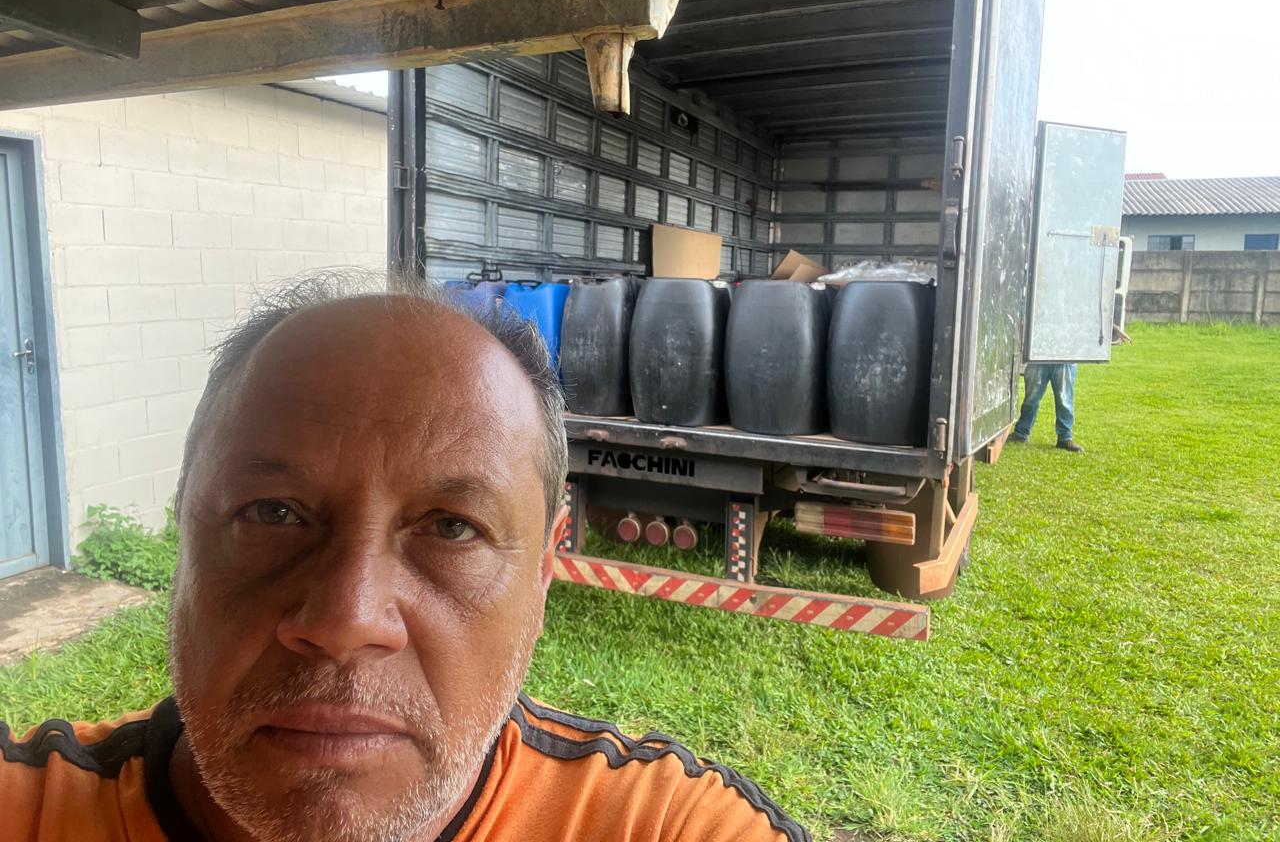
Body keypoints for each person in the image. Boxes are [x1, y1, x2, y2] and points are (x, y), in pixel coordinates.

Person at [1, 272, 807, 842]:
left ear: (541, 578)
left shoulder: (657, 827)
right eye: (273, 513)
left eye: (452, 528)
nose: (346, 620)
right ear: (182, 541)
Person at [1010, 362, 1084, 453]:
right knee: (1031, 399)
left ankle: (1065, 438)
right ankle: (1020, 433)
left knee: (1065, 402)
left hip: (1065, 360)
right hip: (1037, 359)